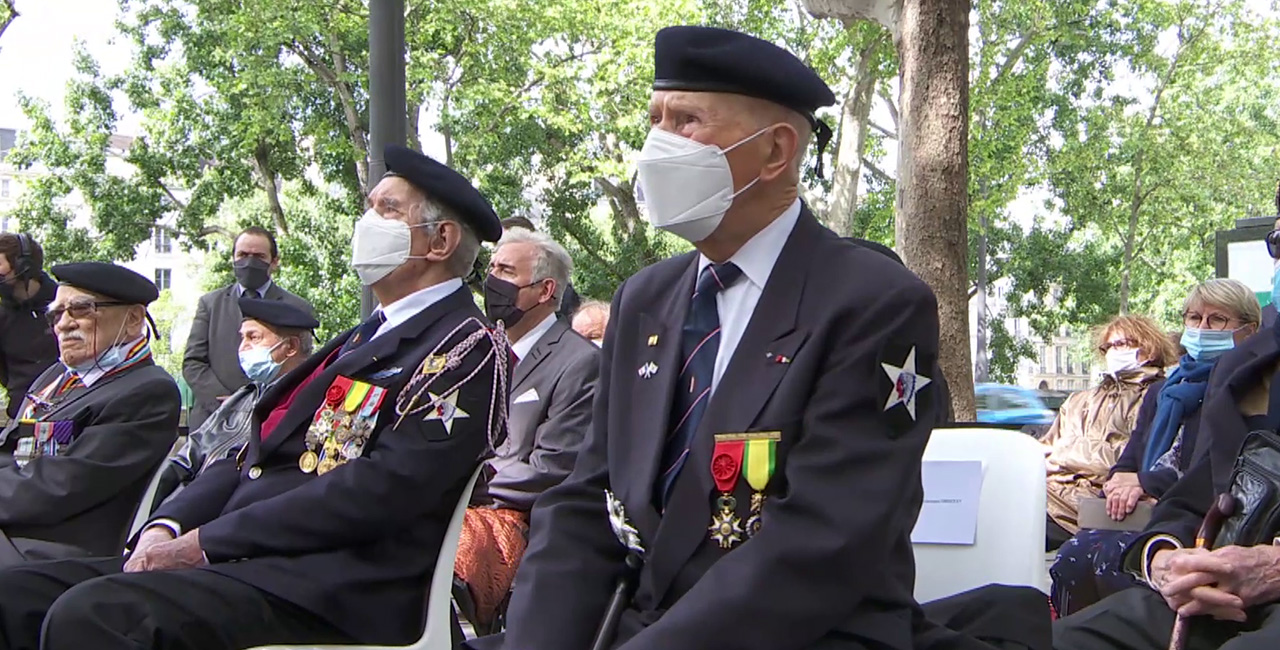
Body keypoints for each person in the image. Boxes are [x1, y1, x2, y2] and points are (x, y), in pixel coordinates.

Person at [470, 25, 1047, 650]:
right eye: (656, 119)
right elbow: (584, 501)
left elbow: (821, 546)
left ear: (775, 152)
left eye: (686, 120)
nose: (658, 144)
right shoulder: (647, 299)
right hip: (633, 624)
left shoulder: (871, 303)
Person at [0, 145, 509, 650]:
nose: (366, 222)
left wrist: (205, 544)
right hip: (247, 561)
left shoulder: (464, 346)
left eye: (387, 210)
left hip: (333, 584)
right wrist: (168, 524)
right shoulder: (366, 336)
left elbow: (383, 490)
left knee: (96, 617)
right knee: (17, 595)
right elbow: (248, 453)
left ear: (441, 240)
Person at [1053, 214, 1280, 650]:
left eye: (1216, 320)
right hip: (1208, 594)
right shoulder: (1243, 375)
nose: (1201, 329)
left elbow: (1164, 473)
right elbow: (1195, 493)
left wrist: (1271, 567)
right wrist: (1165, 558)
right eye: (1279, 241)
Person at [1050, 279, 1260, 615]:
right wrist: (1121, 482)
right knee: (1073, 557)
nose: (1202, 328)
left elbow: (1216, 469)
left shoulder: (1248, 392)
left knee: (1097, 557)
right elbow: (1130, 457)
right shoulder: (1163, 390)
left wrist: (1146, 484)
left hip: (1198, 520)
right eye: (1193, 318)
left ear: (1249, 332)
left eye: (1217, 320)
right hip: (1141, 514)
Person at [454, 227, 599, 631]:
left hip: (523, 525)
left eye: (506, 271)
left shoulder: (579, 362)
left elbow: (552, 466)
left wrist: (463, 489)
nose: (492, 282)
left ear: (545, 289)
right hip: (459, 510)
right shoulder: (475, 353)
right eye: (492, 270)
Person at [0, 262, 179, 567]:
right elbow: (11, 447)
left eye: (81, 310)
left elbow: (64, 486)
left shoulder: (148, 391)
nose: (63, 324)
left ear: (134, 319)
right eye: (57, 313)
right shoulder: (56, 376)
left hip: (49, 552)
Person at [153, 297, 317, 507]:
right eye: (242, 338)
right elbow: (192, 451)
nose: (243, 347)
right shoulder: (245, 396)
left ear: (291, 346)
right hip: (185, 504)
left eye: (253, 337)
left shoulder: (309, 400)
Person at [1043, 314, 1176, 549]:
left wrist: (1063, 452)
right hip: (1047, 492)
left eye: (1122, 344)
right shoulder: (1079, 400)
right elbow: (1044, 450)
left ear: (1149, 348)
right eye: (1108, 346)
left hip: (1092, 505)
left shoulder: (1157, 396)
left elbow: (1123, 463)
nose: (1113, 351)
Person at [182, 226, 313, 430]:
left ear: (274, 261)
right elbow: (193, 362)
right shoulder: (211, 303)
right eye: (243, 255)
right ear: (233, 258)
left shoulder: (297, 308)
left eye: (259, 256)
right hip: (212, 420)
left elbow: (302, 366)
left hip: (271, 419)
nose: (249, 262)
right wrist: (230, 402)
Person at [0, 233, 60, 422]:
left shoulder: (65, 304)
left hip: (68, 413)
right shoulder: (2, 316)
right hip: (20, 418)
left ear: (23, 266)